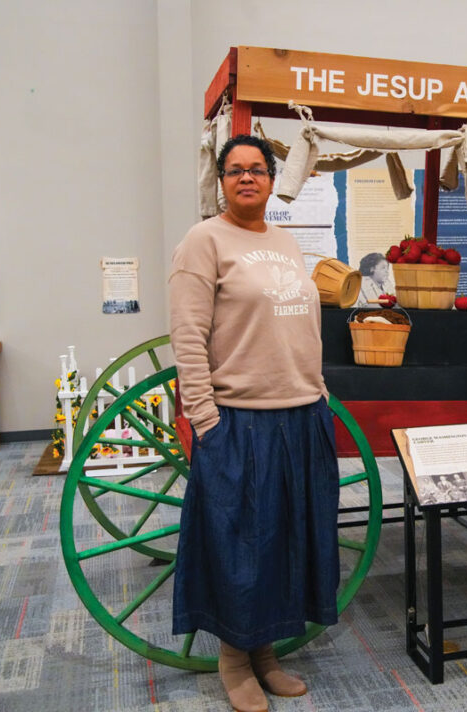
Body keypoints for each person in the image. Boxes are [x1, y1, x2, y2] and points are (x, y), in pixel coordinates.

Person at [169, 134, 339, 712]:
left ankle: (266, 653)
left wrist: (317, 392)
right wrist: (205, 418)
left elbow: (300, 328)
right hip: (239, 420)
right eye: (235, 170)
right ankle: (235, 659)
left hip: (300, 413)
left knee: (284, 542)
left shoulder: (287, 242)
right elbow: (187, 337)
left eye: (258, 170)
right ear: (220, 182)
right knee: (239, 546)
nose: (247, 178)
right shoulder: (203, 241)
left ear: (272, 181)